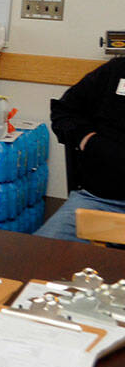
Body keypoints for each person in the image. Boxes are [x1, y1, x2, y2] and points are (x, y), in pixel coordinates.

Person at [35, 55, 125, 241]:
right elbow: (64, 111)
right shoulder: (117, 70)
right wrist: (86, 139)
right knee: (42, 251)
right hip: (100, 201)